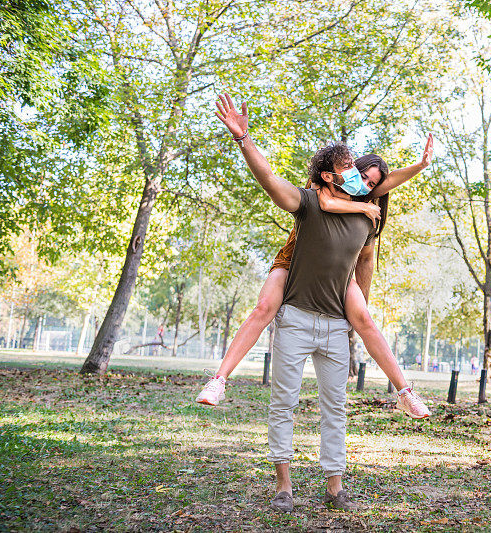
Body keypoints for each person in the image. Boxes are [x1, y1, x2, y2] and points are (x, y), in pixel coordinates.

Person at [210, 93, 420, 512]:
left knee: (335, 410)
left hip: (335, 327)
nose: (362, 179)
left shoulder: (368, 217)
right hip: (296, 320)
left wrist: (358, 313)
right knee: (283, 404)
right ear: (328, 177)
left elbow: (365, 262)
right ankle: (283, 487)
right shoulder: (310, 203)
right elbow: (270, 178)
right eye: (350, 171)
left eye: (366, 178)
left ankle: (335, 488)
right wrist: (244, 140)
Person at [196, 109, 433, 421]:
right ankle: (218, 380)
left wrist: (420, 165)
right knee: (264, 307)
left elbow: (388, 186)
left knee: (365, 319)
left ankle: (405, 392)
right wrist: (243, 138)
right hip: (295, 262)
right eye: (360, 175)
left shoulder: (364, 200)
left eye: (371, 183)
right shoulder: (321, 191)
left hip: (336, 275)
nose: (365, 184)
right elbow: (282, 184)